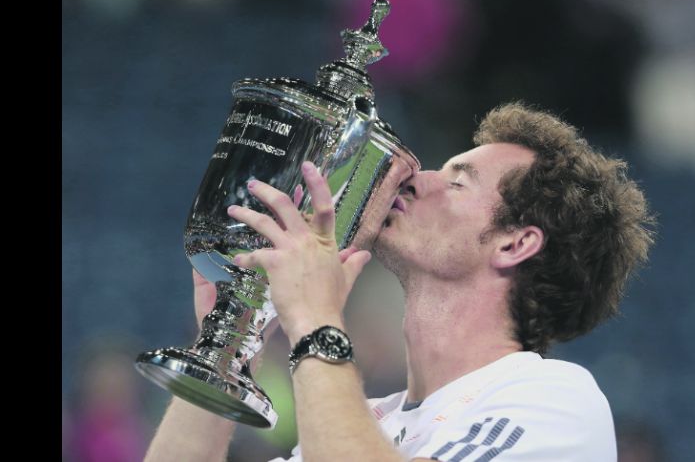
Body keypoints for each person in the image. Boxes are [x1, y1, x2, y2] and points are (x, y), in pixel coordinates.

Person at [144, 101, 656, 461]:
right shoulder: (366, 420)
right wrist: (230, 342)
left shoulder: (553, 400)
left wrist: (315, 317)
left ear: (514, 243)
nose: (417, 177)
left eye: (456, 182)